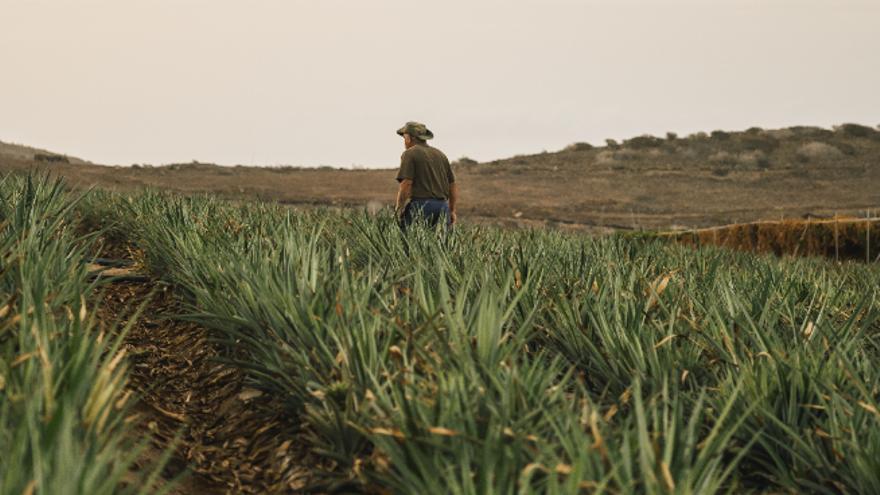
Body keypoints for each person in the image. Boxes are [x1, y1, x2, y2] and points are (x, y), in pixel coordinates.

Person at [394, 121, 458, 231]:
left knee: (410, 240)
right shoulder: (440, 154)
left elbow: (406, 184)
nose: (404, 142)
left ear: (409, 138)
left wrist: (399, 209)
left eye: (404, 138)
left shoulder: (410, 153)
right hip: (442, 207)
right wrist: (451, 210)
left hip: (421, 206)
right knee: (440, 241)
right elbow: (452, 185)